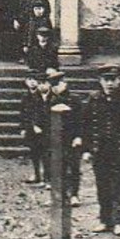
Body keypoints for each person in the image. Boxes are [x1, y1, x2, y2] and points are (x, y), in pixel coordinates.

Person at [82, 64, 120, 235]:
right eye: (106, 80)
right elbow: (85, 126)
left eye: (113, 80)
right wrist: (86, 149)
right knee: (102, 186)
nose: (110, 84)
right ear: (100, 81)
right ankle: (105, 220)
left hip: (119, 149)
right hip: (100, 149)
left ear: (119, 81)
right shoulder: (93, 99)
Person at [48, 69, 83, 206]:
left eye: (59, 83)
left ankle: (74, 194)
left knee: (73, 167)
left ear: (65, 83)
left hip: (71, 138)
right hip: (55, 139)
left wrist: (78, 136)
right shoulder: (49, 100)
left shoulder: (74, 100)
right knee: (56, 167)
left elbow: (80, 120)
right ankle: (59, 195)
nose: (56, 87)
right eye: (53, 84)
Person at [18, 72, 46, 184]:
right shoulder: (25, 97)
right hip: (30, 128)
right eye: (29, 79)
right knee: (34, 152)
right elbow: (23, 113)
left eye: (35, 79)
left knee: (44, 152)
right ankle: (36, 174)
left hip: (41, 128)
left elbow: (42, 112)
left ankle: (46, 176)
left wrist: (38, 125)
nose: (32, 82)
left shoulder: (42, 96)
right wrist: (23, 128)